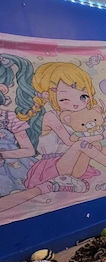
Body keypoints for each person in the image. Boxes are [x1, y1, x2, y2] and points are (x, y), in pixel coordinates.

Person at [24, 61, 106, 190]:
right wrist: (100, 137)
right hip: (53, 167)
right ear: (47, 96)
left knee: (90, 143)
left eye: (83, 97)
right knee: (82, 143)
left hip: (77, 165)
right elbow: (69, 141)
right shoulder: (51, 116)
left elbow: (95, 135)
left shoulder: (78, 116)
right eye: (64, 99)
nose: (76, 104)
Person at [0, 54, 86, 214]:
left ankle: (48, 186)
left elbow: (28, 150)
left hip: (12, 168)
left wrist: (4, 154)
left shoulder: (9, 117)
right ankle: (49, 185)